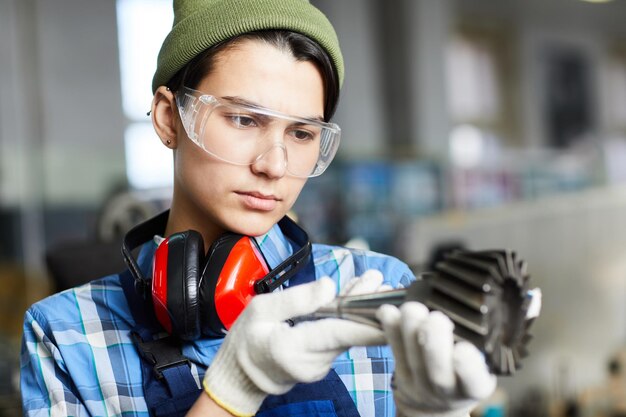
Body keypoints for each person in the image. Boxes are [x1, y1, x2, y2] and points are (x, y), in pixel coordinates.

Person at [20, 0, 497, 416]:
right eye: (244, 119)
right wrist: (232, 392)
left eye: (302, 133)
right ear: (169, 119)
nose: (274, 165)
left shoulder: (376, 292)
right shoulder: (67, 335)